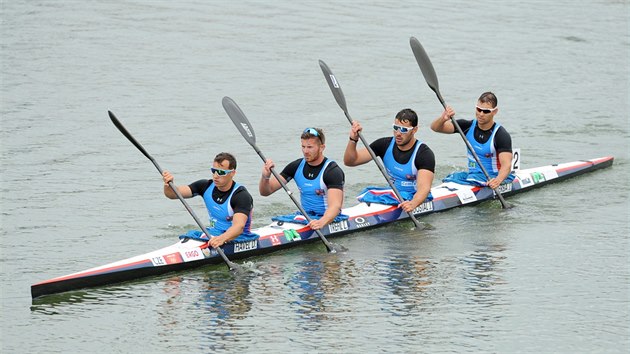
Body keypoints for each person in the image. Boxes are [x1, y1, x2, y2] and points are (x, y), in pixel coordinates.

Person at [343, 108, 435, 212]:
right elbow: (350, 161)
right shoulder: (384, 145)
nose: (398, 133)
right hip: (394, 194)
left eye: (404, 130)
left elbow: (424, 188)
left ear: (414, 130)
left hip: (414, 197)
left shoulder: (424, 154)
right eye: (396, 128)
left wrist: (413, 204)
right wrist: (353, 139)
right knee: (367, 192)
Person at [162, 152, 257, 248]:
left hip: (237, 238)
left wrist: (221, 239)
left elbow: (239, 227)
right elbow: (173, 194)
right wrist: (168, 185)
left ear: (232, 173)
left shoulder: (241, 195)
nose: (215, 176)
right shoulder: (205, 186)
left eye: (221, 172)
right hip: (213, 235)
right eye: (214, 171)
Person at [259, 128, 346, 230]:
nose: (305, 151)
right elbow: (266, 192)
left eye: (310, 147)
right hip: (305, 217)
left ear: (322, 147)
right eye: (303, 146)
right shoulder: (296, 166)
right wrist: (265, 176)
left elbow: (335, 206)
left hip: (328, 219)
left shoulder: (332, 171)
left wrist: (321, 222)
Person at [430, 91, 514, 189]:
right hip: (473, 175)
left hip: (493, 177)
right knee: (451, 177)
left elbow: (506, 165)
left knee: (473, 178)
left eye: (486, 111)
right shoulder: (467, 126)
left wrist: (498, 180)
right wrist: (443, 119)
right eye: (479, 109)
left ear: (495, 112)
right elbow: (435, 128)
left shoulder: (500, 134)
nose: (481, 114)